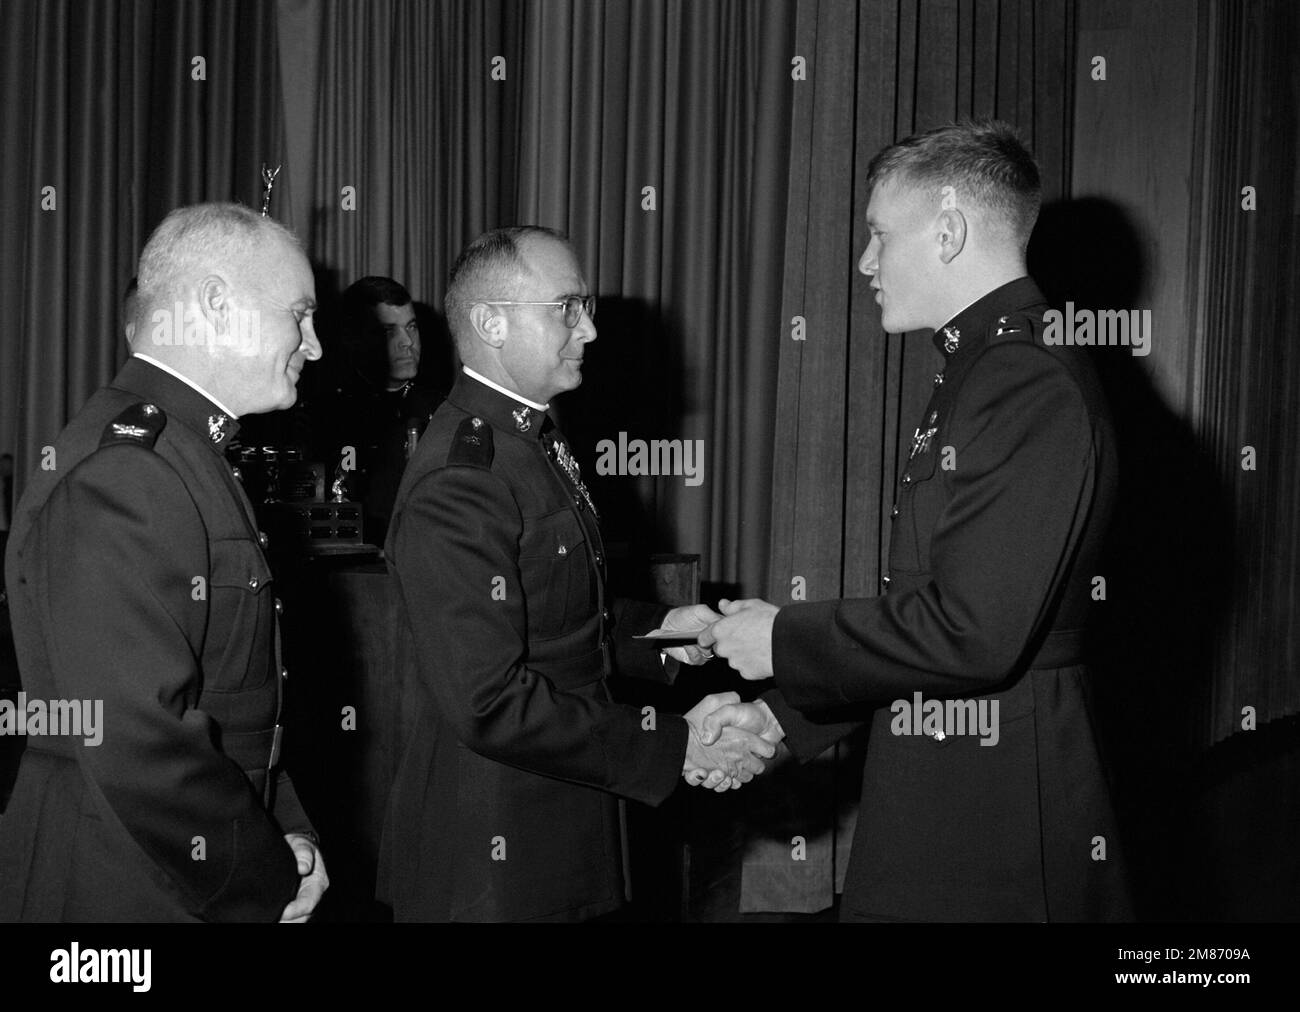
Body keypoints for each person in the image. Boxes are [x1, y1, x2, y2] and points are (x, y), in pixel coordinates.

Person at [702, 120, 1132, 922]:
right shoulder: (982, 368)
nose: (865, 262)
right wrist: (780, 717)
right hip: (949, 769)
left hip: (995, 802)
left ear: (948, 232)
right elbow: (927, 624)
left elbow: (972, 631)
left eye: (877, 236)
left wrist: (783, 639)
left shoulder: (1022, 380)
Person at [380, 226, 779, 922]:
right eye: (566, 306)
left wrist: (662, 633)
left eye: (583, 305)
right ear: (490, 322)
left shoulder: (529, 438)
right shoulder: (461, 476)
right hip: (492, 848)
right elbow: (489, 701)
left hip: (562, 812)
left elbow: (556, 620)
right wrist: (674, 744)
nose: (588, 328)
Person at [0, 202, 329, 921]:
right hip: (127, 880)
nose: (315, 344)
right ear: (217, 304)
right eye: (299, 315)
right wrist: (264, 871)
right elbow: (136, 737)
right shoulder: (133, 472)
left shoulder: (186, 453)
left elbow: (234, 701)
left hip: (179, 864)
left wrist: (288, 827)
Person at [308, 277, 442, 545]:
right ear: (355, 338)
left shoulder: (439, 411)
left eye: (411, 327)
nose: (408, 342)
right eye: (389, 331)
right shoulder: (322, 413)